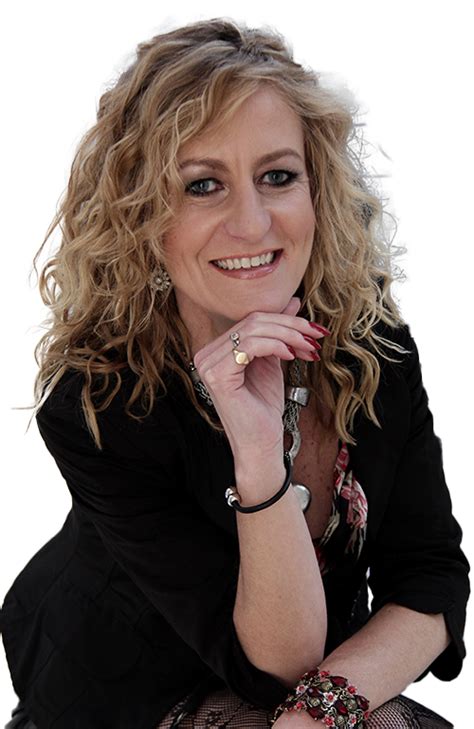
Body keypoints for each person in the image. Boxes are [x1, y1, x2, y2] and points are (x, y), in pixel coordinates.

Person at [0, 17, 469, 729]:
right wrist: (255, 449)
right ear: (143, 218)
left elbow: (431, 576)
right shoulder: (99, 402)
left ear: (317, 191)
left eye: (278, 176)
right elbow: (275, 662)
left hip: (306, 678)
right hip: (127, 688)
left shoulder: (374, 349)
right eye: (203, 185)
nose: (252, 224)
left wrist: (323, 709)